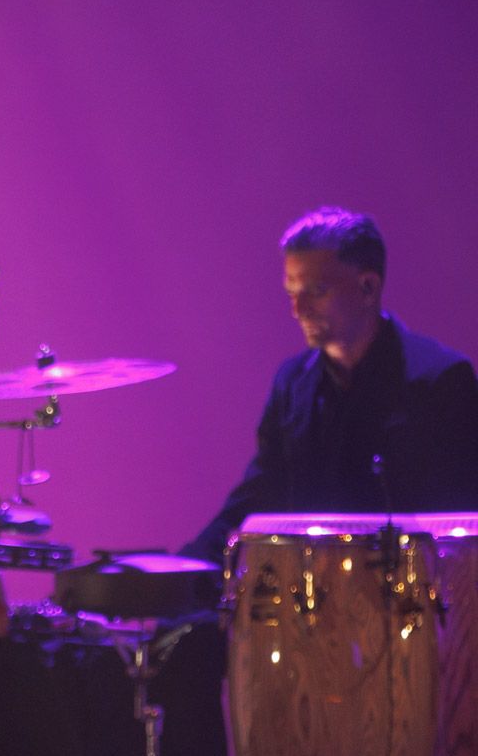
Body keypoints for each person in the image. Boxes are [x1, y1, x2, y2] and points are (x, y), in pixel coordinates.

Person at [183, 206, 478, 561]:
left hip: (411, 601)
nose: (298, 309)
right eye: (291, 291)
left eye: (317, 290)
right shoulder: (292, 384)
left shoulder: (441, 379)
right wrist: (181, 569)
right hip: (309, 603)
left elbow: (461, 520)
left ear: (368, 287)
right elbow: (259, 496)